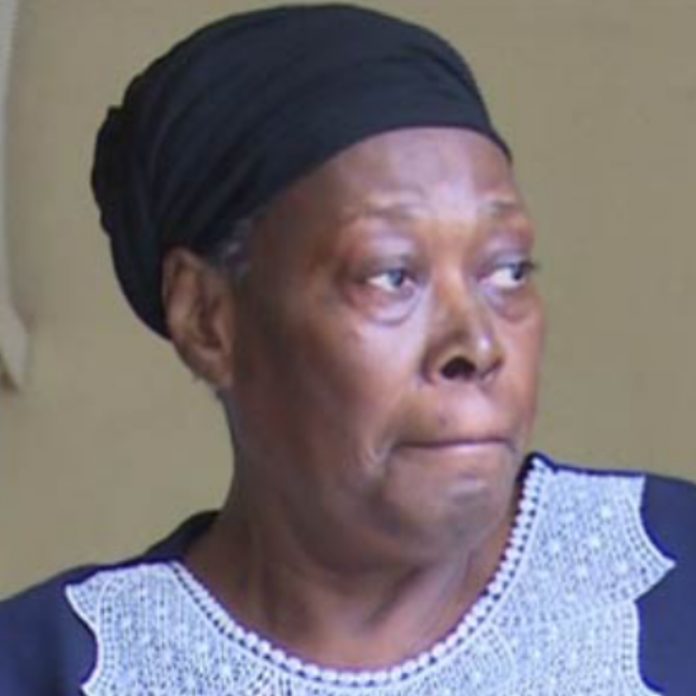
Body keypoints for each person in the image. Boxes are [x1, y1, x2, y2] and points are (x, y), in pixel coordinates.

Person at [1, 4, 694, 694]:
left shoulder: (670, 578)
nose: (478, 345)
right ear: (208, 319)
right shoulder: (44, 669)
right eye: (391, 276)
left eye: (508, 271)